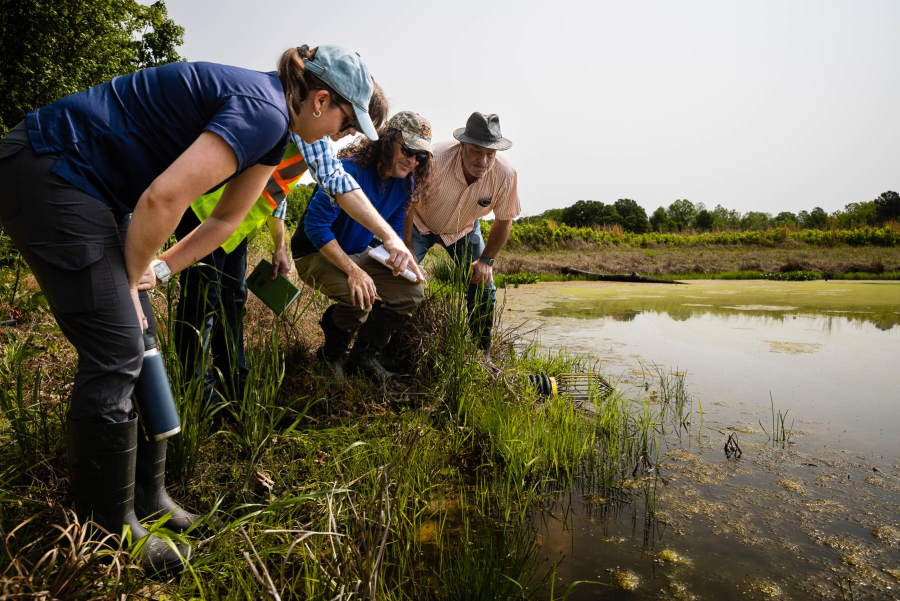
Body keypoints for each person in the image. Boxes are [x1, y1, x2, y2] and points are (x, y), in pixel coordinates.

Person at [0, 44, 419, 576]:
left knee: (143, 338)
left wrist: (161, 269)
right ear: (320, 101)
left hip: (95, 193)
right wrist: (131, 276)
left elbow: (223, 224)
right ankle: (105, 526)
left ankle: (148, 498)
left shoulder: (274, 128)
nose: (343, 136)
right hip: (51, 169)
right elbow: (162, 200)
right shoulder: (263, 109)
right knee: (118, 348)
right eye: (344, 122)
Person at [171, 84, 388, 409]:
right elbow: (333, 179)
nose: (350, 133)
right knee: (203, 304)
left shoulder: (312, 132)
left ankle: (236, 388)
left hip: (236, 223)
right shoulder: (304, 123)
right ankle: (198, 398)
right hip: (206, 213)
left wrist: (279, 246)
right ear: (330, 104)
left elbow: (277, 189)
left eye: (358, 129)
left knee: (233, 302)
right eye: (351, 122)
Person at [293, 111, 433, 380]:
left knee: (412, 291)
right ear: (387, 140)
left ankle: (363, 357)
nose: (413, 160)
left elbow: (390, 229)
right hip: (315, 251)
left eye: (421, 156)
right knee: (361, 298)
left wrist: (402, 258)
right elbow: (315, 227)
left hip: (357, 253)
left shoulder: (405, 184)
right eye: (408, 149)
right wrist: (354, 272)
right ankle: (330, 357)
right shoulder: (348, 168)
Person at [404, 112, 520, 354]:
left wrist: (486, 261)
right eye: (477, 151)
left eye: (490, 153)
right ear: (463, 145)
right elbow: (407, 204)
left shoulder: (505, 175)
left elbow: (504, 219)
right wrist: (406, 249)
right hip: (418, 223)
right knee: (401, 275)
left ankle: (481, 352)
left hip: (463, 229)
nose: (483, 161)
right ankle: (388, 345)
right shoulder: (436, 159)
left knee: (484, 285)